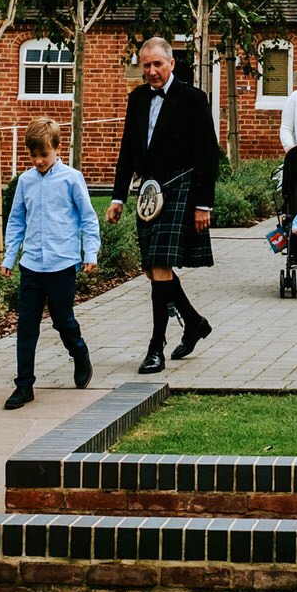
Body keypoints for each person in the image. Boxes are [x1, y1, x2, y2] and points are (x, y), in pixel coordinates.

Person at [108, 38, 220, 374]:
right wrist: (117, 197)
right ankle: (194, 321)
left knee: (159, 267)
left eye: (158, 64)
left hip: (181, 188)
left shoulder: (193, 99)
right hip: (148, 192)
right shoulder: (137, 98)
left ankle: (155, 347)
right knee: (153, 269)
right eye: (147, 65)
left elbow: (207, 154)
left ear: (171, 64)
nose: (152, 71)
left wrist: (204, 204)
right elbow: (128, 149)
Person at [0, 116, 98, 410]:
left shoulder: (71, 179)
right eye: (34, 155)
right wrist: (9, 257)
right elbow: (16, 221)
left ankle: (79, 353)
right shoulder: (25, 182)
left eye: (44, 154)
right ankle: (24, 385)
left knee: (63, 320)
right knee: (26, 326)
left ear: (56, 148)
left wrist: (89, 252)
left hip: (62, 264)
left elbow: (88, 218)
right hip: (31, 266)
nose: (39, 161)